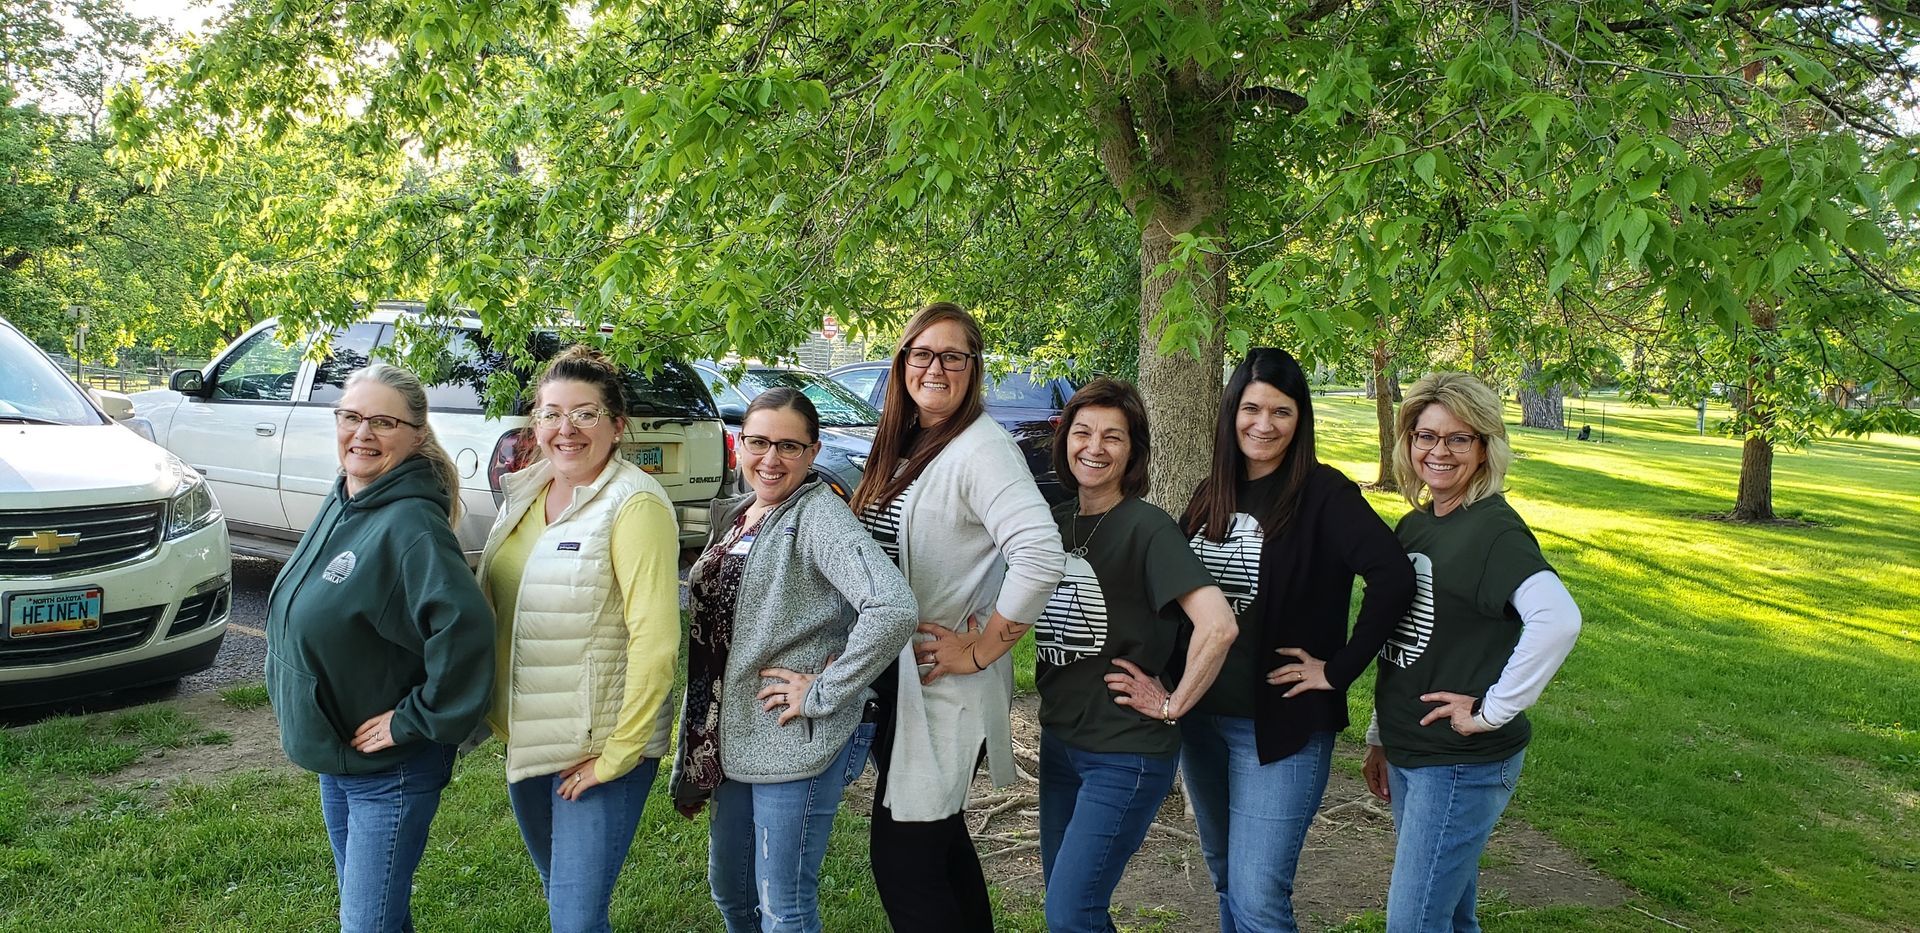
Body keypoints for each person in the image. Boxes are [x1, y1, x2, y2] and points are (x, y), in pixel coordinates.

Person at [1118, 347, 1415, 932]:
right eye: (1251, 408)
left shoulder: (1324, 494)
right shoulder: (1212, 492)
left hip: (1279, 726)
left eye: (1281, 411)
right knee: (1227, 876)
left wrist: (1337, 670)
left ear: (1300, 419)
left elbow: (1394, 577)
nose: (1264, 424)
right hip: (1201, 718)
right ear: (1231, 412)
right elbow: (1181, 604)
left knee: (1258, 897)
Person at [847, 301, 1066, 932]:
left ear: (974, 368)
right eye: (922, 353)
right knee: (940, 843)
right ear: (903, 363)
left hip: (942, 684)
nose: (935, 367)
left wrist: (982, 648)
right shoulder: (910, 442)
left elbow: (1039, 553)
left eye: (953, 355)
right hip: (901, 684)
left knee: (906, 864)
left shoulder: (981, 449)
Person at [669, 387, 920, 933]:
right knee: (731, 890)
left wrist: (824, 689)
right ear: (740, 443)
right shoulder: (741, 515)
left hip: (791, 736)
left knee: (784, 905)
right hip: (730, 734)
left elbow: (893, 607)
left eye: (789, 445)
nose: (771, 458)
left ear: (812, 452)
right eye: (758, 442)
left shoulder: (817, 515)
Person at [263, 363, 495, 933]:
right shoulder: (346, 494)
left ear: (416, 435)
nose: (362, 433)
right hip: (339, 756)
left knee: (366, 924)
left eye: (383, 422)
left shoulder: (412, 525)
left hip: (389, 767)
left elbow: (466, 632)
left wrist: (415, 719)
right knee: (376, 916)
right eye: (351, 416)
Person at [1362, 372, 1581, 933]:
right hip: (1413, 752)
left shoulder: (1492, 531)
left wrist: (1491, 709)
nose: (1439, 451)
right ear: (1407, 442)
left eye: (1459, 439)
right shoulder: (1415, 526)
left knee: (1412, 924)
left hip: (1458, 764)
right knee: (1451, 918)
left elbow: (1557, 619)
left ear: (1485, 448)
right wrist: (1380, 736)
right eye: (1426, 436)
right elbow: (1404, 639)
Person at [477, 345, 682, 933]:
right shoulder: (529, 492)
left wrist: (619, 754)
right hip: (532, 733)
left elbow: (657, 642)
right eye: (550, 413)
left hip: (596, 746)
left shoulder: (634, 504)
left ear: (617, 427)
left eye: (586, 414)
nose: (565, 429)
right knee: (565, 903)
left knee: (574, 919)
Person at [1031, 378, 1238, 933]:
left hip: (1124, 753)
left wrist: (1173, 705)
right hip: (1061, 744)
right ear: (1064, 441)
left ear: (1134, 451)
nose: (1094, 448)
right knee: (1068, 905)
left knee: (1072, 912)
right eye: (1082, 433)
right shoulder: (1055, 522)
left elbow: (1218, 626)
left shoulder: (1149, 529)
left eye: (1113, 437)